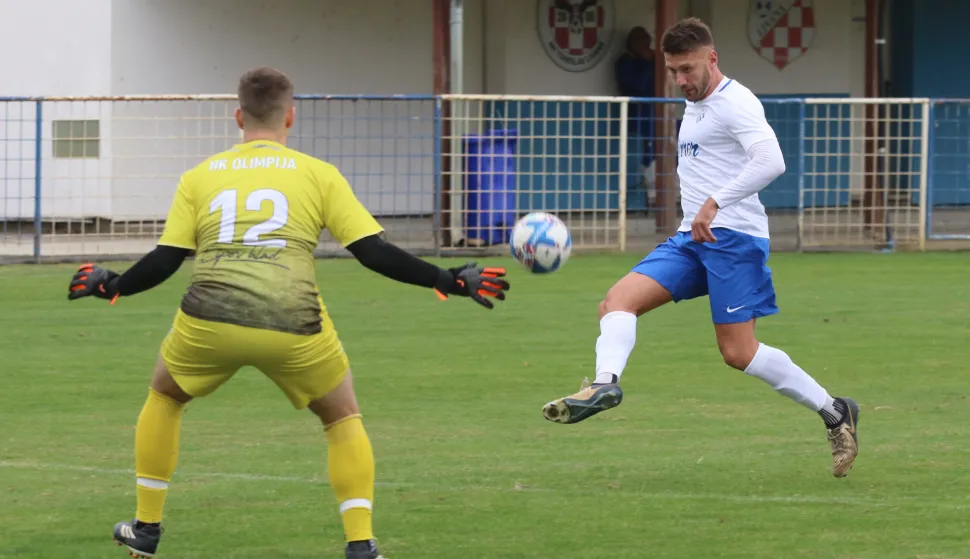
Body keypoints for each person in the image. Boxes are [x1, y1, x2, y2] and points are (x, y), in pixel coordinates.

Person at [67, 66, 510, 559]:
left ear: (238, 116)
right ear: (290, 117)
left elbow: (167, 258)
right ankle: (360, 544)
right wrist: (449, 280)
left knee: (165, 395)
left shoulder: (199, 176)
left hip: (209, 318)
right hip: (292, 322)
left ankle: (146, 528)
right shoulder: (318, 174)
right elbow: (373, 252)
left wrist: (113, 286)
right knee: (342, 416)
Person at [541, 18, 860, 479]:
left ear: (712, 58)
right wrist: (700, 213)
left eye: (688, 69)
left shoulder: (736, 102)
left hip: (735, 240)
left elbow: (772, 160)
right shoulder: (693, 103)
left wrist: (714, 202)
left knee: (738, 352)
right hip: (694, 238)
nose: (681, 81)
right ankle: (605, 386)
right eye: (674, 71)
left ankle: (835, 411)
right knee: (616, 301)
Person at [614, 26, 657, 209]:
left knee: (656, 158)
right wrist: (648, 61)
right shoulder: (624, 62)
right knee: (637, 162)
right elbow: (638, 84)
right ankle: (639, 204)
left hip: (655, 117)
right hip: (633, 120)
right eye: (642, 43)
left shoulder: (654, 61)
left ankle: (656, 200)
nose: (646, 47)